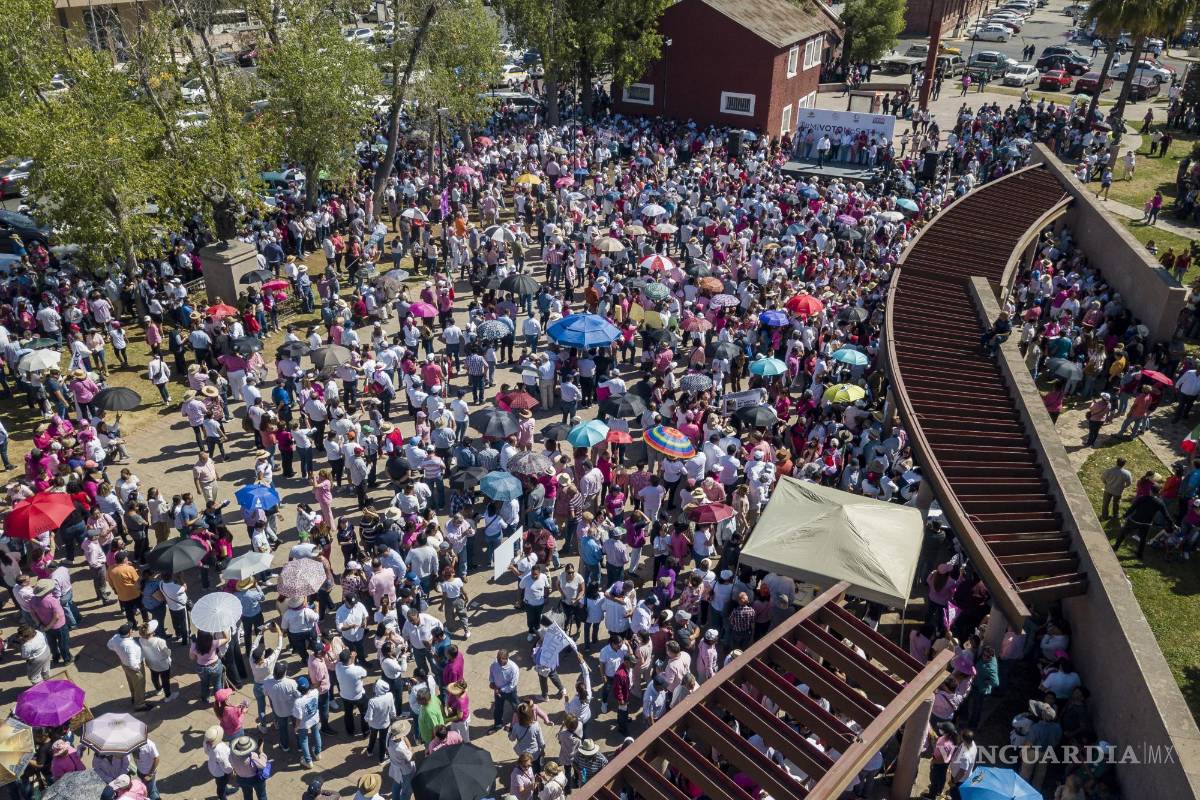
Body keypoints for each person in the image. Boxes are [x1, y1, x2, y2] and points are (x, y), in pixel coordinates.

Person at [229, 735, 269, 800]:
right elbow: (263, 765)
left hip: (241, 779)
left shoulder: (232, 756)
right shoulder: (252, 756)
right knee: (262, 795)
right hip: (255, 778)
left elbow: (231, 763)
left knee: (247, 796)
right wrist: (261, 752)